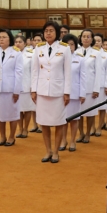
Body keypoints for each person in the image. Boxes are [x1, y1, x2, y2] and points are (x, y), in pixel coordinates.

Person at [31, 21, 72, 163]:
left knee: (59, 122)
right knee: (44, 122)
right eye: (46, 31)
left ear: (57, 33)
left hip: (58, 91)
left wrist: (67, 92)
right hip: (42, 91)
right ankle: (47, 151)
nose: (48, 33)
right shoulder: (38, 48)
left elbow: (68, 72)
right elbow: (35, 71)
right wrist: (33, 90)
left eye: (51, 31)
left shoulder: (65, 48)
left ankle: (55, 151)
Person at [0, 29, 22, 146]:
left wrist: (16, 90)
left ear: (10, 38)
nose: (1, 39)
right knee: (0, 115)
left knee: (12, 114)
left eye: (4, 37)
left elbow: (19, 72)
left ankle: (11, 136)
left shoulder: (16, 53)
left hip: (11, 88)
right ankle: (2, 136)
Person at [78, 29, 102, 142]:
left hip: (90, 87)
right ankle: (81, 133)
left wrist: (96, 89)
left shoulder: (96, 53)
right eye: (84, 36)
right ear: (80, 38)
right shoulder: (76, 51)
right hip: (78, 88)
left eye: (88, 37)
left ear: (92, 39)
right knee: (78, 113)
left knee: (90, 112)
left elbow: (98, 72)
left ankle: (88, 133)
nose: (86, 38)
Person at [61, 34, 84, 151]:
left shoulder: (80, 59)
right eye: (67, 44)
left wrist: (82, 93)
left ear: (75, 46)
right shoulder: (59, 58)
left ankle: (72, 141)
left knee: (74, 118)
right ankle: (63, 140)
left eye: (72, 44)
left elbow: (83, 77)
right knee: (63, 118)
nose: (70, 47)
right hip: (61, 93)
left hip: (75, 92)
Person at [16, 35, 36, 138]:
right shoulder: (13, 54)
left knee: (27, 108)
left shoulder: (30, 55)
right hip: (16, 86)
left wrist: (33, 86)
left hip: (27, 85)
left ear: (25, 43)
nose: (18, 44)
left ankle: (25, 129)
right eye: (16, 42)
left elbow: (33, 72)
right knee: (18, 109)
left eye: (20, 42)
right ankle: (20, 128)